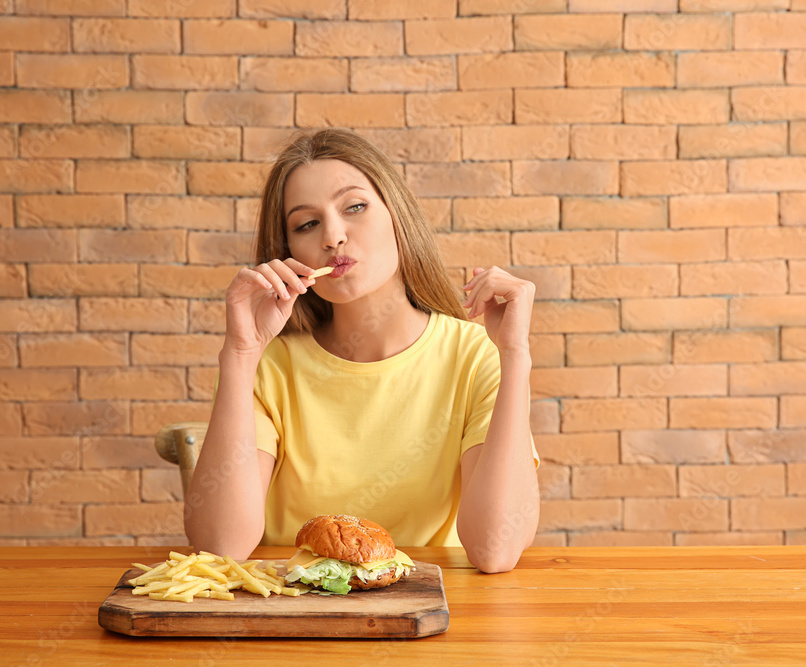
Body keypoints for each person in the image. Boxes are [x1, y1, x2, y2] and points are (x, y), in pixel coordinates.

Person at [184, 128, 540, 573]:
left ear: (398, 215)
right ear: (288, 250)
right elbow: (221, 547)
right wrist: (239, 356)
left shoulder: (477, 356)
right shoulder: (264, 363)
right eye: (306, 224)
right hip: (291, 614)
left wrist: (515, 356)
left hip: (429, 619)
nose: (333, 237)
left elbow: (495, 550)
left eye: (354, 207)